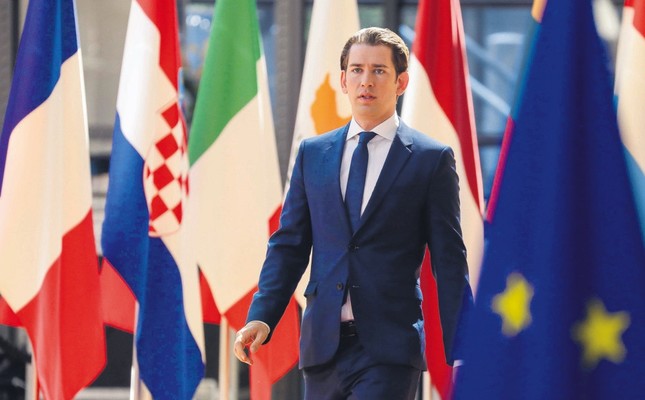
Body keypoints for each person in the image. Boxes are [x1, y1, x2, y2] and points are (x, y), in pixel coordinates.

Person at [234, 27, 470, 400]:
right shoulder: (313, 153)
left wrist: (464, 347)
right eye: (357, 70)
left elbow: (449, 259)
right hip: (322, 346)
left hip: (389, 349)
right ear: (343, 81)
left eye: (379, 71)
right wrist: (262, 315)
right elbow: (290, 244)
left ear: (401, 81)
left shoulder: (430, 159)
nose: (366, 81)